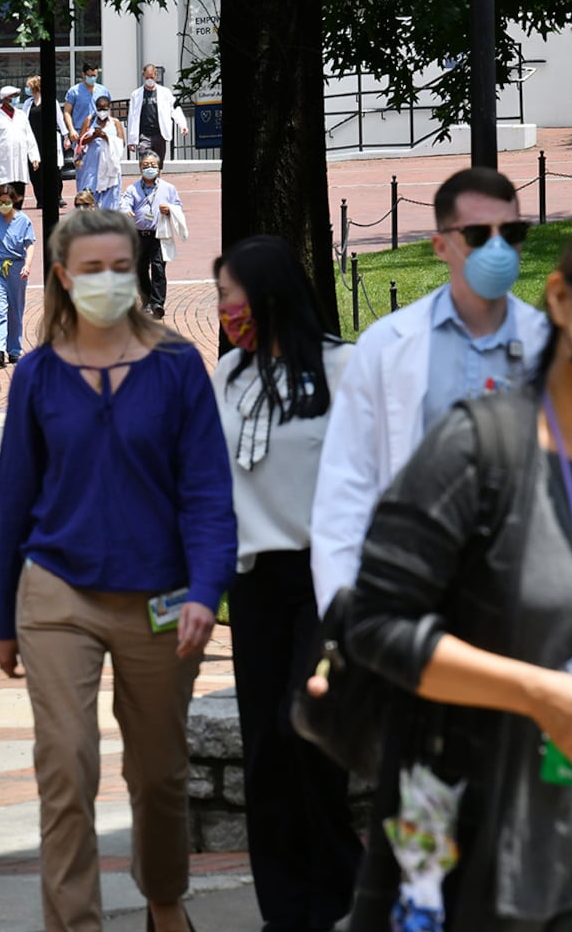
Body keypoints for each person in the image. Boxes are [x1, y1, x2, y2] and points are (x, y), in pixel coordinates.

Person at [0, 209, 236, 932]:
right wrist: (5, 618)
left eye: (119, 267)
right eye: (90, 269)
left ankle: (165, 898)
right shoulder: (37, 374)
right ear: (63, 278)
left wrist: (205, 590)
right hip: (57, 590)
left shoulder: (176, 367)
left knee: (159, 772)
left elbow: (207, 490)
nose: (106, 281)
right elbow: (14, 499)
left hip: (159, 595)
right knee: (65, 767)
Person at [341, 226, 572, 929]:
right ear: (562, 299)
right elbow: (378, 627)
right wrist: (543, 695)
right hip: (481, 850)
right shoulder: (478, 450)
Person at [311, 167, 551, 612]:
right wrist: (342, 608)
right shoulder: (386, 346)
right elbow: (347, 482)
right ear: (441, 245)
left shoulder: (549, 348)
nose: (499, 248)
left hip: (524, 595)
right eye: (479, 234)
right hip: (414, 589)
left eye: (512, 231)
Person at [210, 237, 363, 932]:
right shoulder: (228, 377)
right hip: (255, 583)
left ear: (268, 293)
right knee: (266, 751)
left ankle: (343, 881)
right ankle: (286, 910)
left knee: (305, 732)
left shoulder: (345, 369)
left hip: (328, 578)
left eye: (229, 294)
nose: (223, 310)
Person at [0, 183, 38, 369]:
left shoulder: (23, 221)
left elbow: (30, 244)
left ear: (14, 201)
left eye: (7, 202)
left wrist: (27, 265)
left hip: (16, 267)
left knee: (15, 308)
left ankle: (14, 349)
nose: (4, 205)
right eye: (0, 202)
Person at [120, 151, 182, 320]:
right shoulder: (133, 188)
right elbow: (124, 203)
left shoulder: (168, 188)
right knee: (140, 269)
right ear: (140, 168)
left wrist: (170, 209)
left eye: (153, 165)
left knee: (158, 268)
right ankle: (146, 300)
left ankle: (157, 304)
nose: (150, 168)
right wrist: (127, 210)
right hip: (138, 235)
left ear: (159, 168)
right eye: (146, 165)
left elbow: (178, 206)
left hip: (159, 235)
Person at [0, 85, 41, 208]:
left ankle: (17, 215)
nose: (15, 99)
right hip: (3, 161)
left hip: (20, 161)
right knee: (5, 193)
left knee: (19, 192)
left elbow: (29, 137)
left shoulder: (21, 115)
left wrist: (34, 156)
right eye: (12, 97)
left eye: (16, 96)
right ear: (4, 99)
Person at [125, 64, 188, 164]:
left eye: (151, 77)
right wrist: (131, 140)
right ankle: (147, 179)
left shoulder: (165, 93)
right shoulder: (136, 95)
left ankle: (157, 179)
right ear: (143, 76)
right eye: (147, 77)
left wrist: (182, 125)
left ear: (156, 76)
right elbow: (132, 117)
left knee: (158, 164)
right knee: (145, 163)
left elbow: (174, 108)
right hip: (144, 135)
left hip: (160, 134)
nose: (149, 79)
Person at [22, 75, 66, 208]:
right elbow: (23, 121)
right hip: (33, 140)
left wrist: (66, 136)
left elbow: (60, 120)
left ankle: (57, 196)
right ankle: (40, 198)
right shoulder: (28, 104)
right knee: (35, 170)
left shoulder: (51, 101)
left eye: (30, 87)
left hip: (48, 140)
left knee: (54, 170)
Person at [75, 93, 126, 210]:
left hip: (110, 164)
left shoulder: (115, 122)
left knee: (111, 195)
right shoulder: (89, 120)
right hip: (92, 164)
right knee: (88, 194)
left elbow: (121, 142)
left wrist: (106, 137)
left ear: (109, 108)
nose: (102, 111)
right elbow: (81, 141)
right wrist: (93, 136)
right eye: (99, 109)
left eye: (105, 109)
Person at [64, 61, 111, 152]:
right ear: (83, 74)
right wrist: (71, 130)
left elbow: (108, 111)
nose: (93, 78)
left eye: (95, 76)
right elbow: (67, 112)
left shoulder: (103, 91)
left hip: (99, 132)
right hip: (80, 132)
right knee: (81, 162)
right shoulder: (74, 91)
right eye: (90, 76)